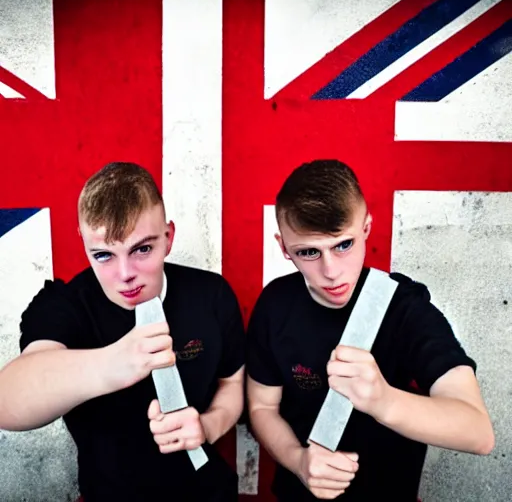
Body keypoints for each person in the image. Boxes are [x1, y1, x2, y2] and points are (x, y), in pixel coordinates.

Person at [246, 159, 494, 501]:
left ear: (366, 228)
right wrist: (298, 460)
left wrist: (383, 399)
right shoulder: (275, 304)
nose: (330, 271)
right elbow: (262, 408)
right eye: (308, 252)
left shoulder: (404, 308)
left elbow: (478, 432)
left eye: (343, 245)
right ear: (283, 246)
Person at [0, 162, 245, 502]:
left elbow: (232, 384)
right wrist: (113, 363)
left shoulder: (211, 294)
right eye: (103, 255)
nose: (125, 274)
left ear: (168, 238)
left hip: (208, 492)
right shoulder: (66, 304)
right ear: (83, 244)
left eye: (142, 249)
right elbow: (7, 402)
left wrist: (210, 425)